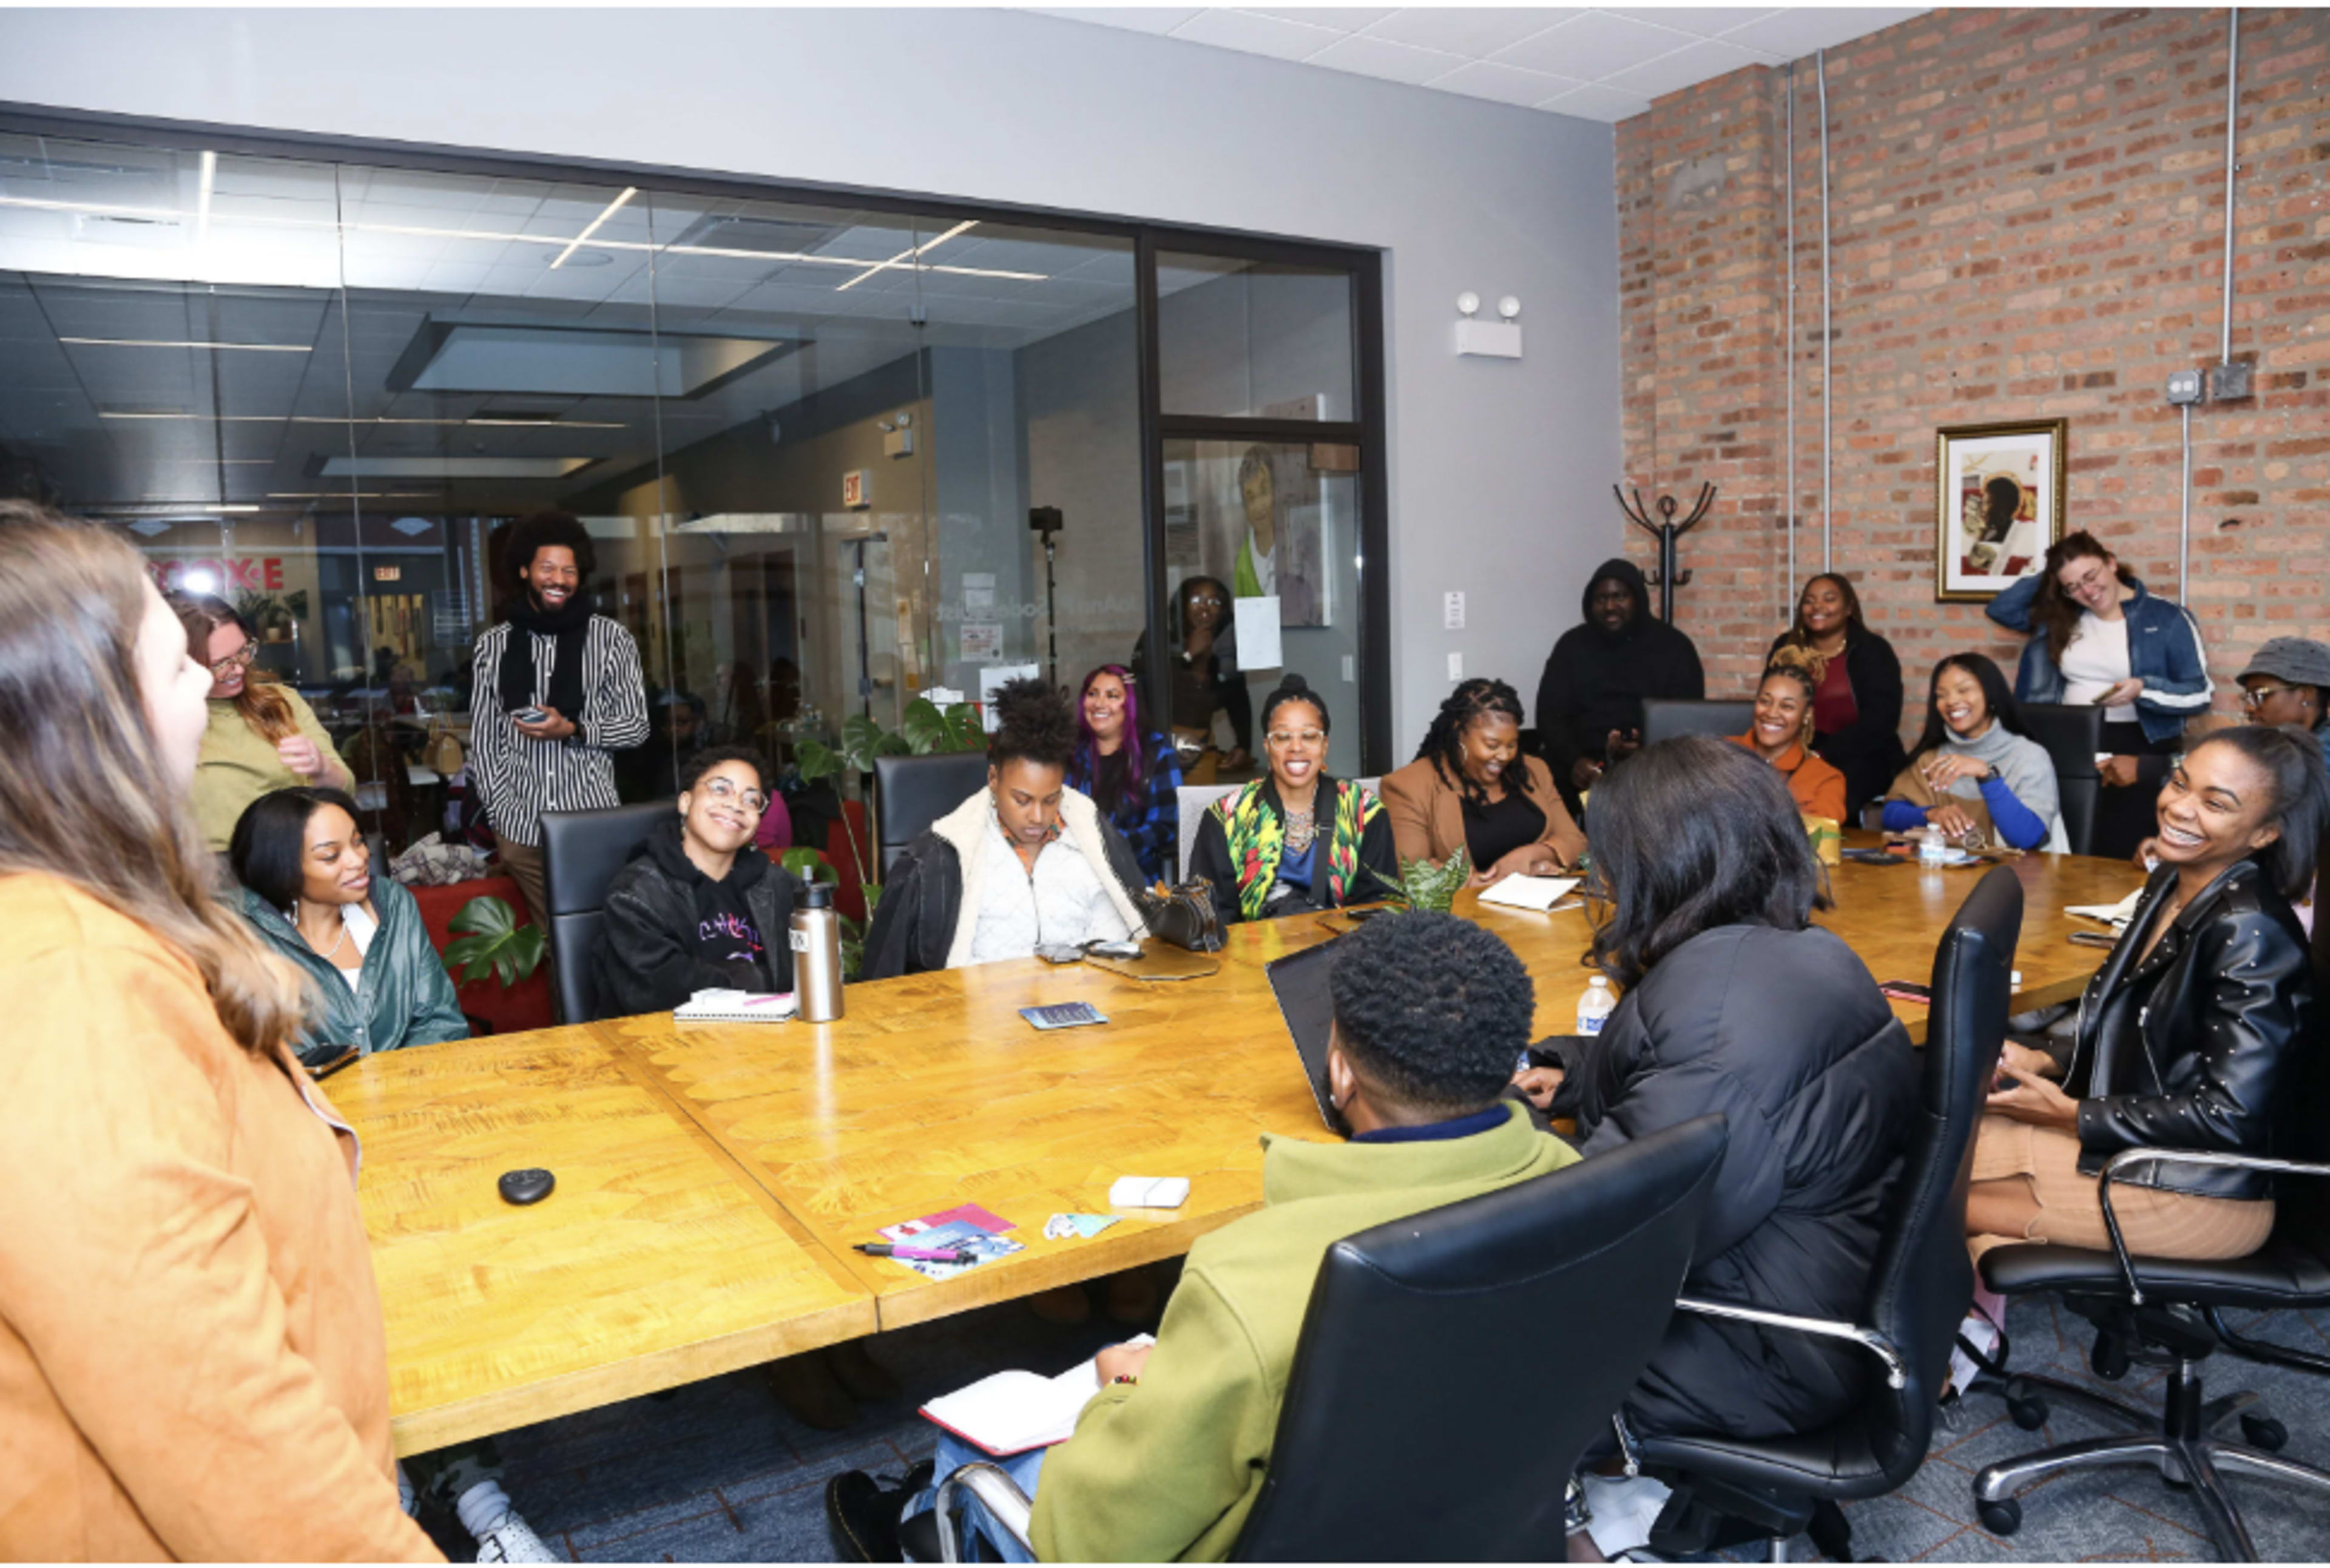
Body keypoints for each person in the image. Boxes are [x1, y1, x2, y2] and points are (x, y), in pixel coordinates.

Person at [829, 910, 1579, 1563]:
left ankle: (908, 1527)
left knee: (973, 1442)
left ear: (1341, 1073)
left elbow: (1098, 1539)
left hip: (1251, 1539)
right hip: (1469, 1502)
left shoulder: (1249, 1282)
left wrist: (1121, 1392)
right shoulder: (1572, 1177)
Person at [0, 504, 439, 1560]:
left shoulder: (82, 927)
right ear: (92, 716)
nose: (205, 680)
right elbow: (214, 1409)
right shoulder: (74, 982)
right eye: (173, 658)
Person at [1513, 735, 1917, 1443]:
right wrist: (1573, 1072)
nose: (1594, 872)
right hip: (1821, 1287)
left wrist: (1497, 1123)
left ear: (1657, 865)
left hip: (1760, 1350)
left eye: (1604, 854)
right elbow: (1698, 1078)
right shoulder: (1801, 950)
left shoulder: (1713, 1031)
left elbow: (1596, 1233)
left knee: (1448, 1338)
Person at [1968, 726, 2325, 1262]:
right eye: (2180, 783)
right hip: (2144, 1151)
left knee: (1921, 1193)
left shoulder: (2250, 929)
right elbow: (2139, 1026)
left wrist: (2072, 1114)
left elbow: (2229, 1114)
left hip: (2204, 1192)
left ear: (2264, 834)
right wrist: (2043, 1057)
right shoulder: (2169, 885)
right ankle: (1967, 1327)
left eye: (2215, 803)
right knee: (1935, 1142)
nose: (2179, 808)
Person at [859, 678, 1149, 978]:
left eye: (1051, 800)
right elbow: (887, 980)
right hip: (980, 1015)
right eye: (1022, 800)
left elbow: (1121, 944)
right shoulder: (942, 856)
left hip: (1085, 1010)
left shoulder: (1092, 839)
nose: (1038, 816)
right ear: (994, 779)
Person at [468, 509, 650, 939]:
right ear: (525, 570)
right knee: (554, 945)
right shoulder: (493, 648)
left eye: (569, 570)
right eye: (547, 568)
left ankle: (606, 1011)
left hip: (593, 824)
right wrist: (503, 816)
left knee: (603, 938)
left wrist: (574, 729)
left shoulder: (611, 640)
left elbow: (637, 726)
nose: (559, 579)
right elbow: (485, 743)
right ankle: (570, 1010)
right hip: (522, 830)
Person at [1985, 531, 2210, 860]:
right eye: (2073, 586)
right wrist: (2053, 575)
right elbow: (2002, 608)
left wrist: (2143, 690)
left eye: (2091, 576)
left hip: (2138, 744)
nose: (2087, 592)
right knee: (2069, 845)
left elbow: (2199, 694)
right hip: (2069, 743)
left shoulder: (2166, 618)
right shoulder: (2062, 616)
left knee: (2120, 846)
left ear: (2111, 563)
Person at [228, 786, 470, 1063]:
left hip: (412, 1091)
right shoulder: (244, 933)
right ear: (281, 868)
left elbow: (440, 1021)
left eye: (358, 842)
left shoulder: (392, 904)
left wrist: (400, 1087)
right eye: (331, 856)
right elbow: (254, 1055)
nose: (359, 860)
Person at [596, 746, 800, 1017]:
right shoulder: (636, 894)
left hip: (774, 1042)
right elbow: (658, 992)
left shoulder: (780, 887)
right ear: (685, 802)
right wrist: (755, 981)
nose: (735, 804)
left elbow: (812, 973)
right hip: (667, 1047)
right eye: (720, 789)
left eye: (752, 800)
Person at [1187, 674, 1399, 925]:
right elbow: (1210, 918)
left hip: (1344, 953)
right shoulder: (1226, 817)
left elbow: (1380, 907)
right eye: (1283, 737)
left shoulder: (1364, 810)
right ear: (1267, 746)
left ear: (1325, 746)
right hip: (1253, 956)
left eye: (1309, 736)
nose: (1296, 747)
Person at [172, 591, 356, 854]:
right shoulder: (159, 724)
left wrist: (321, 768)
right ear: (182, 664)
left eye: (243, 651)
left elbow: (346, 788)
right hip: (212, 875)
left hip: (293, 862)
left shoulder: (282, 702)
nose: (238, 669)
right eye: (220, 664)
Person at [1535, 558, 1705, 817]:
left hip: (1651, 764)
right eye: (1601, 599)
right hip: (1581, 764)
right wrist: (1575, 761)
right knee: (1541, 780)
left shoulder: (1674, 647)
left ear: (1638, 598)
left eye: (1620, 597)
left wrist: (1646, 747)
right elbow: (1549, 715)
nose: (1610, 607)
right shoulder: (1572, 646)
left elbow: (1688, 720)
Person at [1380, 677, 1585, 883]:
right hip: (1463, 910)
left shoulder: (1534, 771)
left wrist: (1533, 856)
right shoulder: (1407, 785)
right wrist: (1492, 883)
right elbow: (1413, 871)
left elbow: (1576, 842)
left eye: (1511, 745)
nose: (1505, 756)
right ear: (1459, 732)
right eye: (1492, 745)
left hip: (1544, 905)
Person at [1880, 653, 2065, 852]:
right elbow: (1890, 814)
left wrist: (1987, 776)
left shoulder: (2029, 757)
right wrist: (1931, 814)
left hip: (2015, 879)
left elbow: (2027, 838)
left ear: (1990, 693)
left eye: (1963, 690)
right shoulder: (1933, 757)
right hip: (1945, 875)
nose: (1951, 701)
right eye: (1941, 695)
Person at [1767, 572, 1904, 820]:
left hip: (1862, 754)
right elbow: (1769, 703)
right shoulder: (1786, 648)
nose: (1817, 606)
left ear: (1849, 607)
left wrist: (1823, 755)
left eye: (1829, 599)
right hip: (1798, 751)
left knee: (1825, 793)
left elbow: (1881, 721)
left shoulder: (1872, 651)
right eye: (1809, 601)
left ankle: (1820, 850)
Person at [1064, 663, 1183, 884]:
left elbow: (1165, 825)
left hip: (1134, 878)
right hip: (1073, 875)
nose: (1100, 704)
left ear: (1130, 704)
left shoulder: (1156, 751)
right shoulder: (1070, 752)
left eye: (1112, 696)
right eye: (1093, 694)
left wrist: (1110, 844)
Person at [1134, 575, 1251, 784]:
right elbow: (1146, 688)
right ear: (1182, 606)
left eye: (1215, 602)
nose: (1206, 608)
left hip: (1202, 745)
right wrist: (1187, 656)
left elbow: (1238, 696)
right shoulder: (1157, 637)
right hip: (1160, 744)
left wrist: (1244, 744)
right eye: (1197, 601)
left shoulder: (1224, 646)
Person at [1727, 648, 1848, 822]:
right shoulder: (1720, 753)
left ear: (1807, 715)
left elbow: (1820, 836)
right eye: (1765, 701)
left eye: (1787, 706)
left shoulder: (1826, 779)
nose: (1772, 713)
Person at [2231, 637, 2330, 769]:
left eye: (2261, 695)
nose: (2249, 708)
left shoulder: (2314, 768)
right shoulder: (2283, 751)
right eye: (2248, 697)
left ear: (2307, 695)